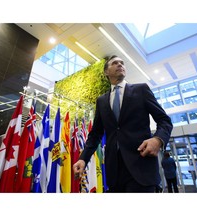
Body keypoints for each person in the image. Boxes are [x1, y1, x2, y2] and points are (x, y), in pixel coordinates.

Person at [72, 55, 173, 192]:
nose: (120, 64)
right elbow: (96, 134)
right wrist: (83, 159)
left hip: (141, 166)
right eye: (115, 63)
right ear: (106, 72)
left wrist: (158, 139)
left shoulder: (141, 90)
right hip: (114, 171)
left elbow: (164, 120)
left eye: (122, 63)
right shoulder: (101, 101)